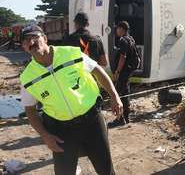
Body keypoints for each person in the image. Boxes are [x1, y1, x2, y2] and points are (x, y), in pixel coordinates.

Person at [19, 25, 123, 175]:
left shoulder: (71, 54)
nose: (31, 42)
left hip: (92, 121)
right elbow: (30, 110)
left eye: (34, 37)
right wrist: (45, 136)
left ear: (45, 39)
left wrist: (115, 96)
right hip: (61, 131)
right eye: (25, 41)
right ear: (24, 48)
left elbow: (97, 70)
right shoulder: (27, 77)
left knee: (106, 170)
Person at [108, 21, 136, 127]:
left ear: (122, 29)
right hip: (128, 71)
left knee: (118, 95)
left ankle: (120, 119)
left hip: (123, 72)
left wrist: (117, 72)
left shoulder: (123, 40)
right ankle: (126, 118)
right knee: (125, 94)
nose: (116, 31)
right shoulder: (131, 39)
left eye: (117, 29)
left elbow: (122, 57)